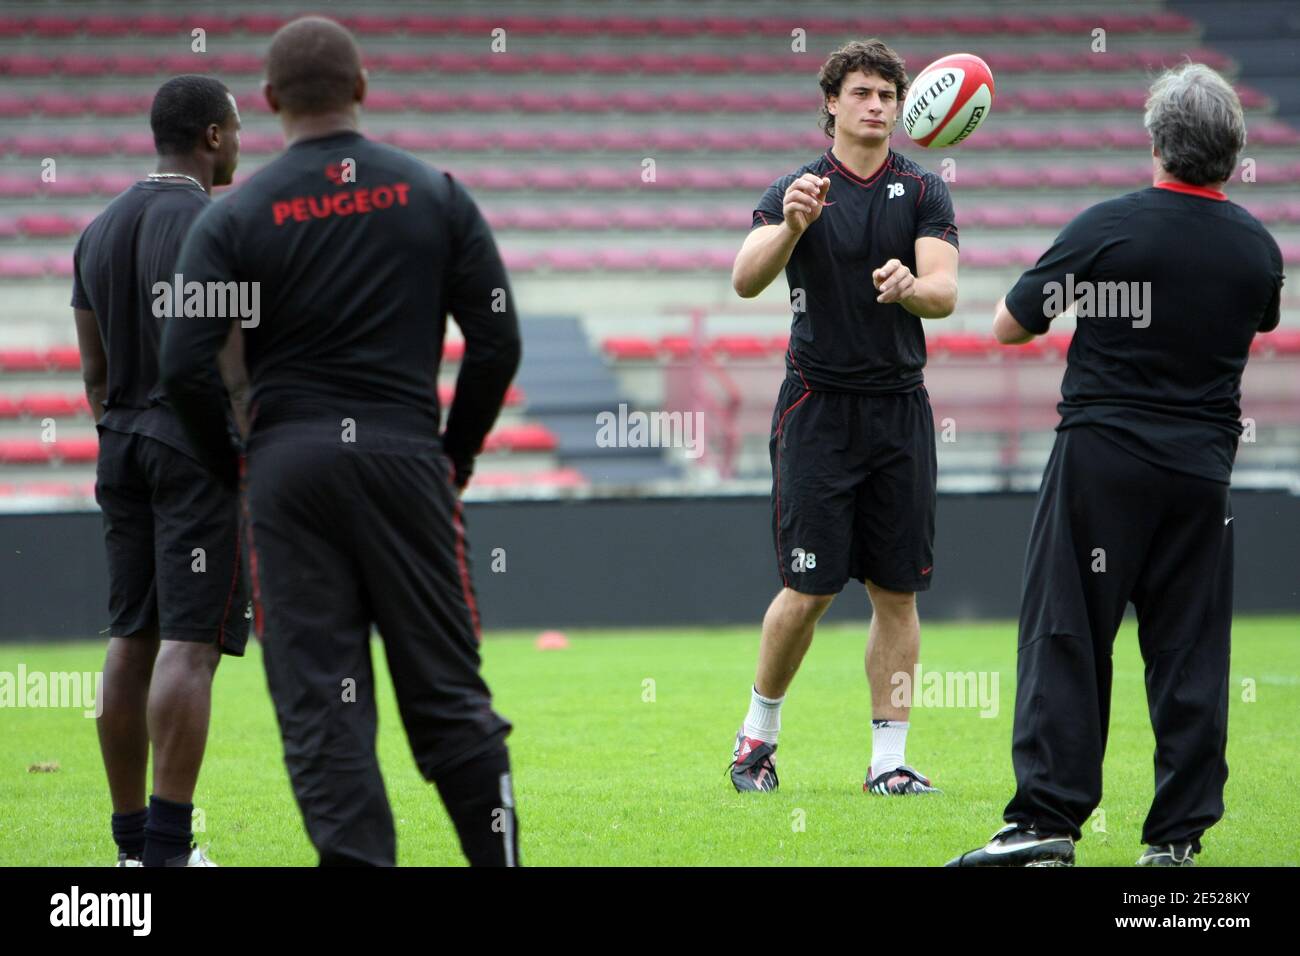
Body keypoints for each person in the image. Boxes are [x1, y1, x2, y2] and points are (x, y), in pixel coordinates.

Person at [160, 16, 521, 866]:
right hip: (406, 459)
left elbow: (183, 364)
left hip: (287, 471)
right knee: (448, 694)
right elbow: (497, 339)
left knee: (324, 707)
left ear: (271, 101)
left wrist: (238, 461)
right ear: (362, 88)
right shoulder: (434, 193)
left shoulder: (233, 216)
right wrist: (451, 455)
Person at [948, 63, 1284, 867]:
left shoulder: (1109, 226)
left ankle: (1046, 825)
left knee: (1067, 633)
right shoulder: (1257, 247)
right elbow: (1253, 318)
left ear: (1157, 142)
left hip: (1102, 459)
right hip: (1202, 472)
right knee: (1190, 652)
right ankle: (1177, 841)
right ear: (1233, 152)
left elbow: (1007, 326)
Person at [727, 39, 959, 795]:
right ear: (831, 102)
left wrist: (908, 286)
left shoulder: (923, 190)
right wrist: (791, 226)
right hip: (817, 410)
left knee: (897, 592)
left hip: (899, 409)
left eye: (888, 96)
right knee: (810, 591)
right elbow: (744, 280)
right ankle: (755, 743)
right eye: (861, 93)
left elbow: (945, 292)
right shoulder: (797, 188)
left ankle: (888, 764)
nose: (877, 106)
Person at [72, 74, 248, 867]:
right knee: (190, 645)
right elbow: (234, 364)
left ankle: (131, 848)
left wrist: (128, 431)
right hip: (192, 449)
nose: (242, 142)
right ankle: (171, 854)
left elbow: (93, 375)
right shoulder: (216, 228)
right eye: (237, 128)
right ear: (212, 136)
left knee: (130, 638)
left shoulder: (98, 230)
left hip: (121, 444)